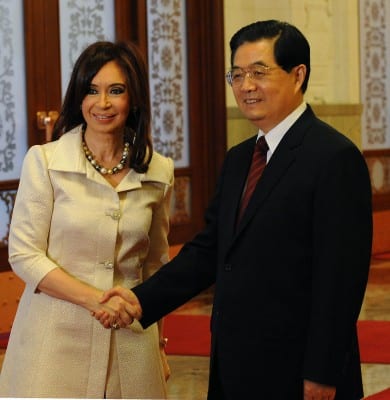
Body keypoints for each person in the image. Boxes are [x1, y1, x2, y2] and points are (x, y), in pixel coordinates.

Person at [98, 20, 373, 400]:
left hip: (298, 369)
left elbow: (340, 279)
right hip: (235, 361)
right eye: (237, 74)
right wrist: (143, 298)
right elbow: (211, 249)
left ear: (298, 75)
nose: (245, 86)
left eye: (259, 73)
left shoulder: (334, 158)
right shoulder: (240, 158)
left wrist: (322, 372)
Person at [0, 41, 173, 399]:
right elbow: (23, 254)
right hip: (54, 341)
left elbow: (156, 266)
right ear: (79, 97)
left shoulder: (159, 169)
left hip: (133, 343)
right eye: (92, 90)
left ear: (134, 98)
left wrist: (161, 344)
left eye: (116, 91)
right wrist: (96, 299)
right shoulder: (45, 162)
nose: (103, 103)